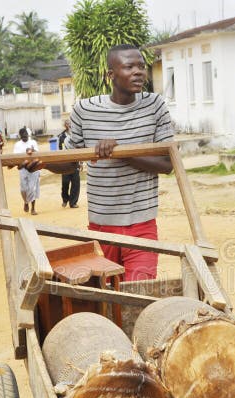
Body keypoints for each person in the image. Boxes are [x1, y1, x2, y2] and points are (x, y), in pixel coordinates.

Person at [39, 44, 173, 281]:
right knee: (106, 301)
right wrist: (41, 163)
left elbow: (167, 164)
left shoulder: (155, 106)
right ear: (110, 75)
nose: (138, 72)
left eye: (141, 66)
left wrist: (121, 152)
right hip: (101, 227)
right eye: (129, 66)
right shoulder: (85, 110)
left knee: (139, 296)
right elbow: (71, 163)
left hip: (141, 226)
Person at [13, 127, 40, 215]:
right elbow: (15, 157)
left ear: (28, 135)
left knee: (32, 188)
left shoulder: (33, 142)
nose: (25, 138)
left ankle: (33, 208)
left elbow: (38, 154)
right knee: (23, 189)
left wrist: (33, 150)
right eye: (23, 137)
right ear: (20, 137)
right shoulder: (17, 145)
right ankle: (25, 202)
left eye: (26, 136)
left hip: (34, 169)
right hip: (23, 169)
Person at [57, 119, 80, 209]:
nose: (69, 125)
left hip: (75, 162)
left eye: (70, 123)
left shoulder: (76, 136)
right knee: (65, 183)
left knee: (75, 183)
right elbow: (59, 150)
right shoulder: (61, 136)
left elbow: (79, 148)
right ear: (65, 125)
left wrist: (80, 162)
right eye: (67, 124)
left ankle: (73, 202)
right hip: (65, 162)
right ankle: (65, 199)